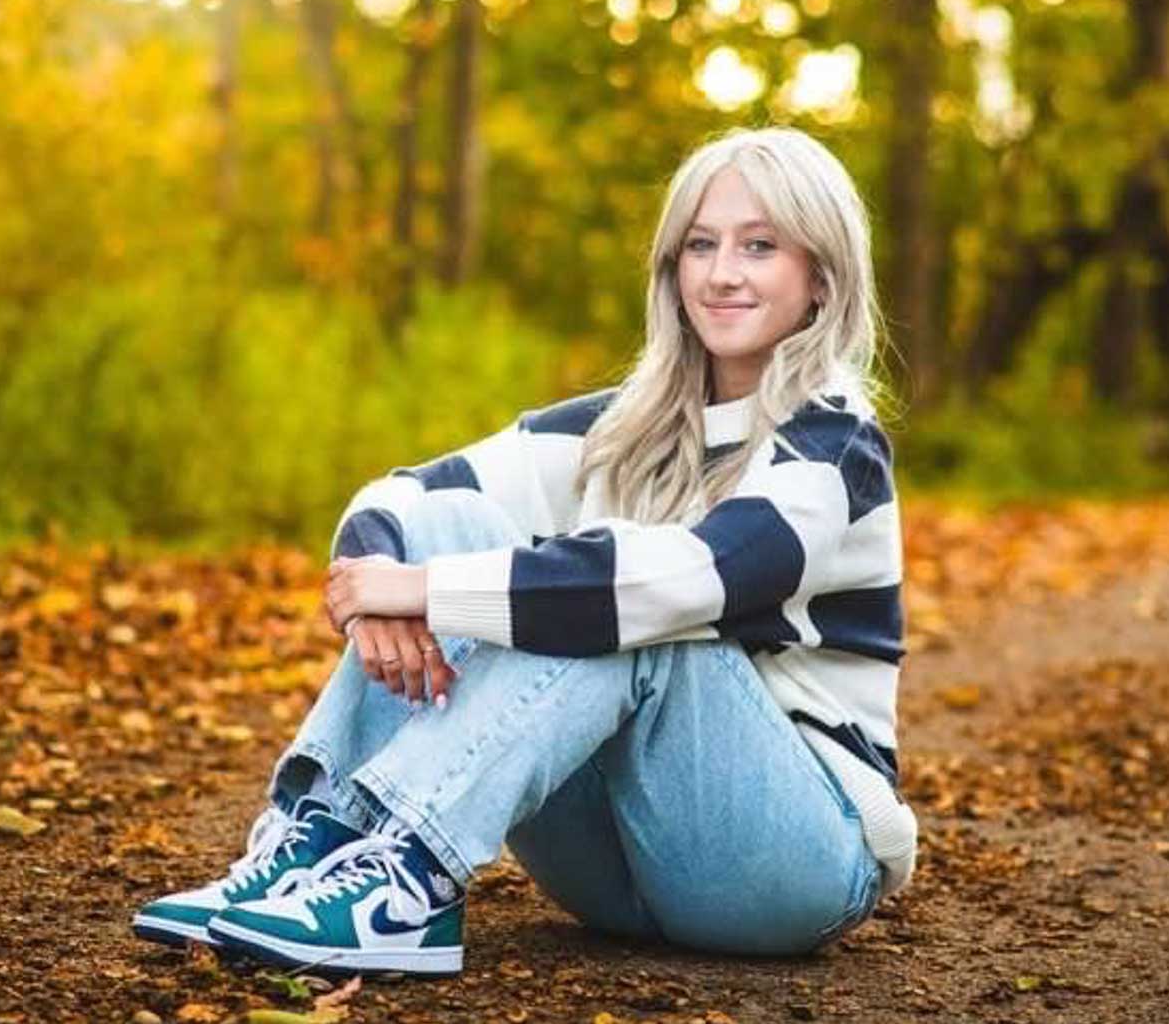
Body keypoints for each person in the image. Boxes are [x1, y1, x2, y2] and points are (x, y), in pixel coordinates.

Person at [132, 126, 917, 977]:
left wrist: (424, 593)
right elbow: (402, 496)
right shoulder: (629, 424)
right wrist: (383, 594)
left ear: (821, 279)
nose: (721, 272)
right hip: (612, 869)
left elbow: (691, 579)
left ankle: (412, 878)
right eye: (699, 244)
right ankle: (322, 840)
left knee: (626, 591)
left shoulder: (834, 445)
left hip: (786, 863)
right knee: (460, 528)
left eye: (759, 246)